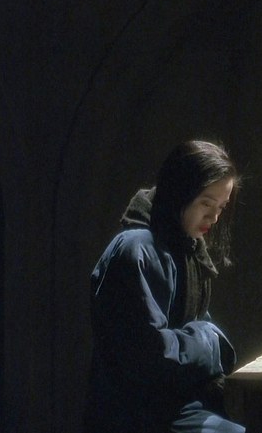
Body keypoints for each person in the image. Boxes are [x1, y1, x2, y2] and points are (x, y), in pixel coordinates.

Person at [85, 140, 245, 433]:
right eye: (206, 203)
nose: (214, 217)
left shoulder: (184, 247)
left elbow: (201, 336)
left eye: (221, 207)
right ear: (180, 192)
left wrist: (205, 339)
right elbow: (150, 356)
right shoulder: (138, 250)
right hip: (138, 417)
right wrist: (208, 340)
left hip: (177, 407)